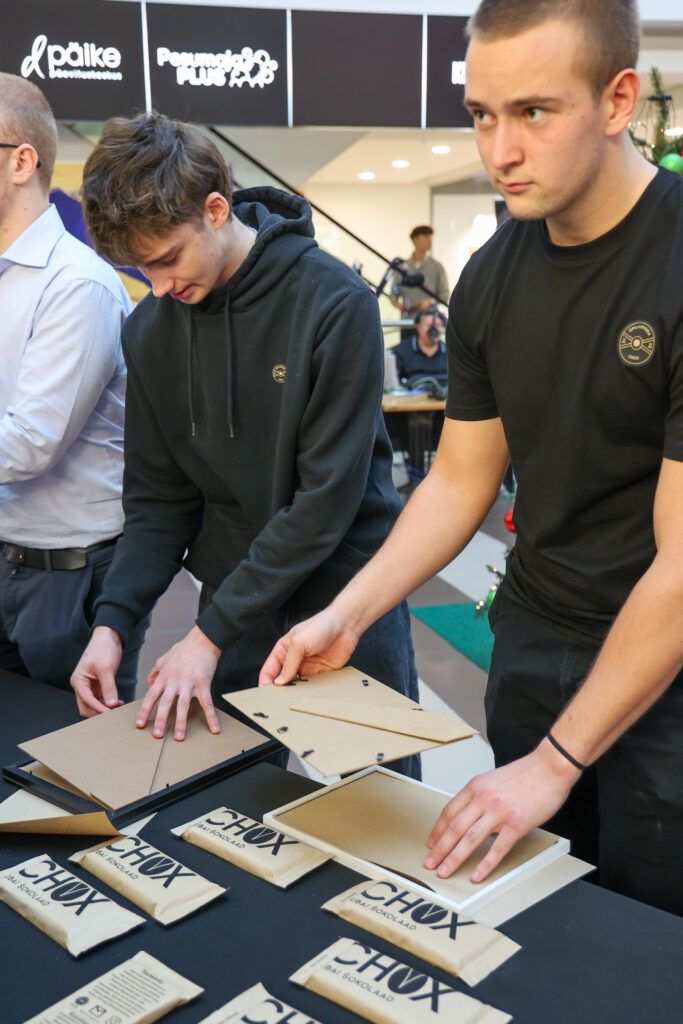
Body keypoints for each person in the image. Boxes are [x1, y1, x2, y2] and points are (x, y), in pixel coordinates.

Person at [259, 0, 683, 916]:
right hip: (534, 637)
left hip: (665, 667)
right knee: (541, 910)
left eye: (533, 112)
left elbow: (681, 566)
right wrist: (349, 612)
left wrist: (557, 762)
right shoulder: (491, 276)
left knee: (647, 931)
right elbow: (458, 478)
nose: (500, 150)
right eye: (482, 116)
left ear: (617, 101)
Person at [70, 112, 420, 778]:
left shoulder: (334, 302)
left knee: (378, 804)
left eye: (167, 258)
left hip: (346, 597)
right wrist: (112, 625)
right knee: (221, 802)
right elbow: (158, 503)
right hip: (235, 600)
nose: (159, 286)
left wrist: (206, 637)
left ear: (215, 208)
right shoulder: (150, 330)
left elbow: (323, 502)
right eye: (141, 269)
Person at [0, 73, 146, 701]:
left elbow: (29, 442)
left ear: (21, 162)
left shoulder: (76, 283)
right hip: (9, 555)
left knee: (74, 751)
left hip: (69, 575)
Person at [390, 226, 449, 315]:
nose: (429, 240)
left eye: (430, 237)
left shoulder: (437, 266)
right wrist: (400, 306)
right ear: (415, 239)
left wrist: (430, 302)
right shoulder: (402, 267)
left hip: (430, 318)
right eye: (425, 237)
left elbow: (444, 294)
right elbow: (393, 294)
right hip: (408, 319)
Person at [393, 308, 448, 384]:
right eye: (429, 325)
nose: (434, 330)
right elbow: (394, 381)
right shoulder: (402, 350)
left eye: (438, 326)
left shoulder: (449, 352)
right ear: (418, 326)